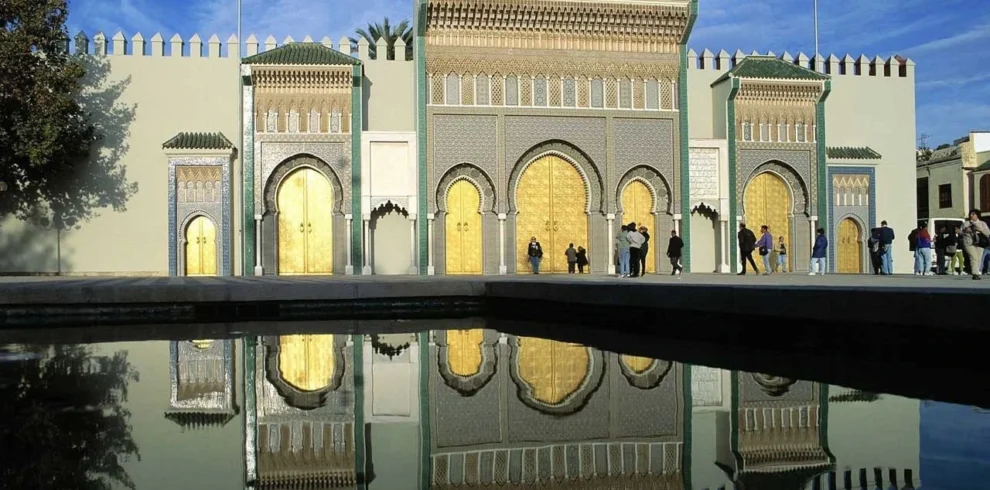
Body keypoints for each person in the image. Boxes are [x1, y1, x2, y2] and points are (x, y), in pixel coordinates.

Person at [960, 209, 990, 280]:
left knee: (978, 259)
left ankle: (976, 272)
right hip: (969, 243)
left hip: (980, 243)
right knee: (974, 257)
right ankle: (975, 274)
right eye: (970, 214)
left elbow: (988, 233)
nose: (971, 215)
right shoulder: (966, 223)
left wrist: (980, 229)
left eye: (973, 214)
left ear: (977, 215)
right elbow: (960, 233)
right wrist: (965, 231)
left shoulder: (982, 223)